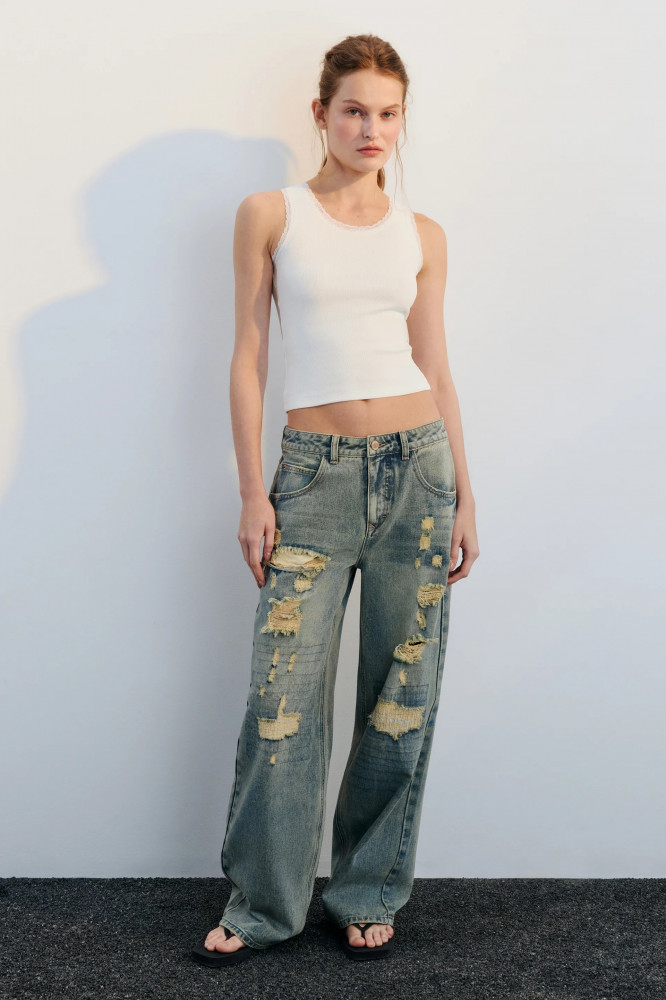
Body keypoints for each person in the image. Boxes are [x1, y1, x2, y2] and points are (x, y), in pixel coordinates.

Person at [191, 32, 479, 967]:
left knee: (402, 696)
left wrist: (466, 497)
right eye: (355, 110)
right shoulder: (271, 215)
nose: (372, 129)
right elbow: (248, 356)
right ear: (321, 113)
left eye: (389, 114)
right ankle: (263, 904)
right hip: (311, 478)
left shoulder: (422, 234)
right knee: (282, 698)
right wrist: (253, 490)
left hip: (419, 472)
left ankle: (366, 892)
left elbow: (436, 366)